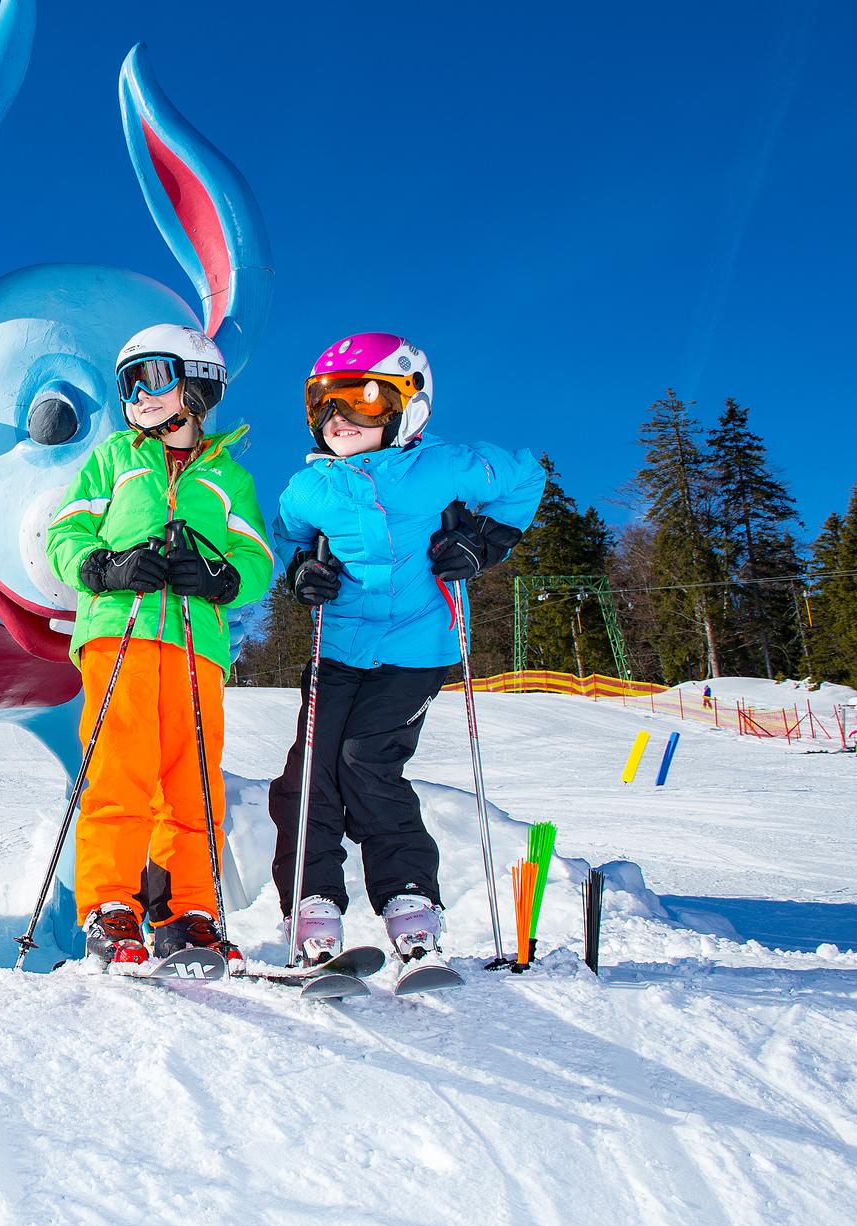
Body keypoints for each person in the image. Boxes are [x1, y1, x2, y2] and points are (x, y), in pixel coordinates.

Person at [269, 333, 544, 966]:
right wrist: (303, 571)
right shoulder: (309, 489)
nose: (338, 417)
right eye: (323, 402)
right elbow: (291, 536)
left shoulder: (445, 467)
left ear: (408, 404)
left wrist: (484, 540)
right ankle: (313, 902)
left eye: (362, 399)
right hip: (338, 649)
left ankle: (408, 898)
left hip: (415, 651)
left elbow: (525, 476)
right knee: (309, 772)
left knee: (366, 761)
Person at [46, 323, 275, 972]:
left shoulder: (229, 477)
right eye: (129, 384)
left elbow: (256, 557)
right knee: (119, 771)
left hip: (196, 646)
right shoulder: (112, 461)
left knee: (193, 781)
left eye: (152, 376)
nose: (139, 395)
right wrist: (104, 566)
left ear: (199, 382)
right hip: (119, 633)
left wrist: (220, 577)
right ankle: (110, 906)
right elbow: (65, 534)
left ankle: (188, 913)